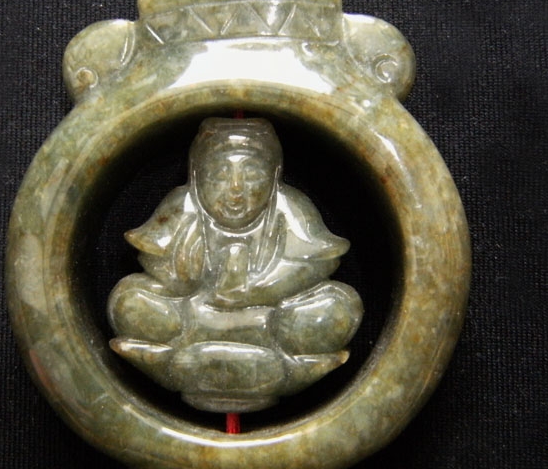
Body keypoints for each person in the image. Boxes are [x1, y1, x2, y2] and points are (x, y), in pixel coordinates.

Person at [108, 117, 362, 412]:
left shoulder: (289, 208)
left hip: (271, 320)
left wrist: (256, 290)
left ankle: (202, 359)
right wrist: (186, 279)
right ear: (196, 174)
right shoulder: (183, 206)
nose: (236, 188)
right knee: (130, 298)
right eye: (220, 174)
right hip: (195, 316)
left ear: (274, 174)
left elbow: (318, 264)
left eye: (252, 174)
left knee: (337, 305)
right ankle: (252, 362)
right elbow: (153, 258)